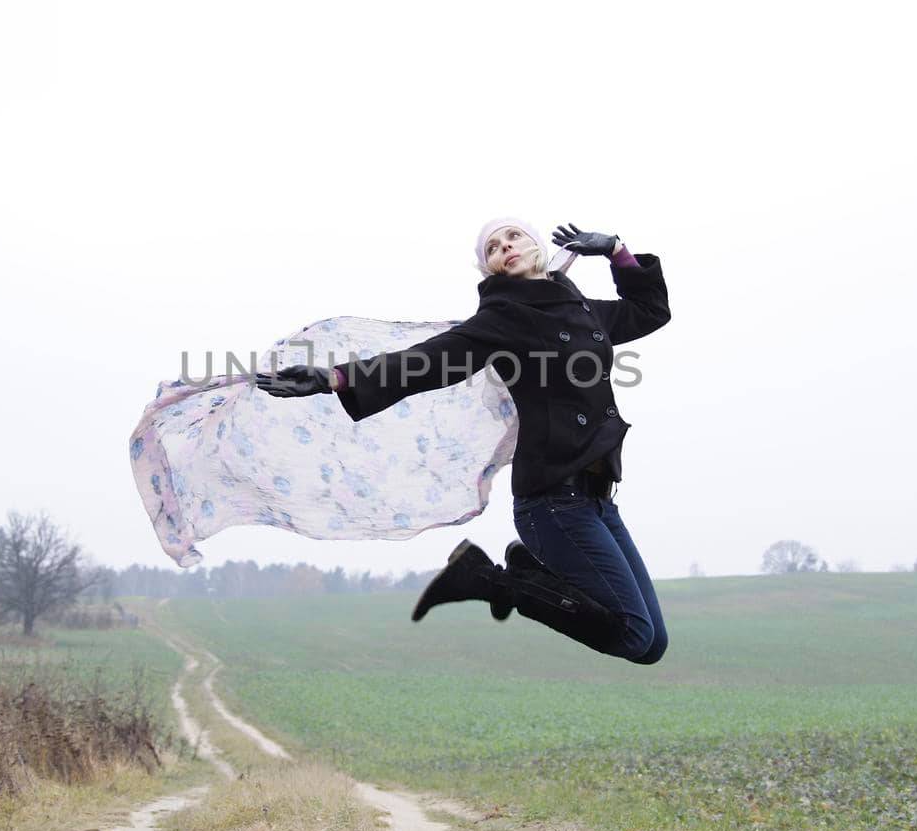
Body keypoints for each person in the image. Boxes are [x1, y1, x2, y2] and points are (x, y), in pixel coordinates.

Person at [256, 216, 671, 665]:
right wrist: (337, 378)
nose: (504, 247)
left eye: (513, 236)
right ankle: (485, 579)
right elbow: (430, 360)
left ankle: (526, 570)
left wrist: (616, 249)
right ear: (488, 267)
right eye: (492, 247)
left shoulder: (582, 309)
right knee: (632, 637)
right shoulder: (503, 318)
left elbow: (650, 310)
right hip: (553, 501)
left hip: (598, 499)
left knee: (653, 645)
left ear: (535, 245)